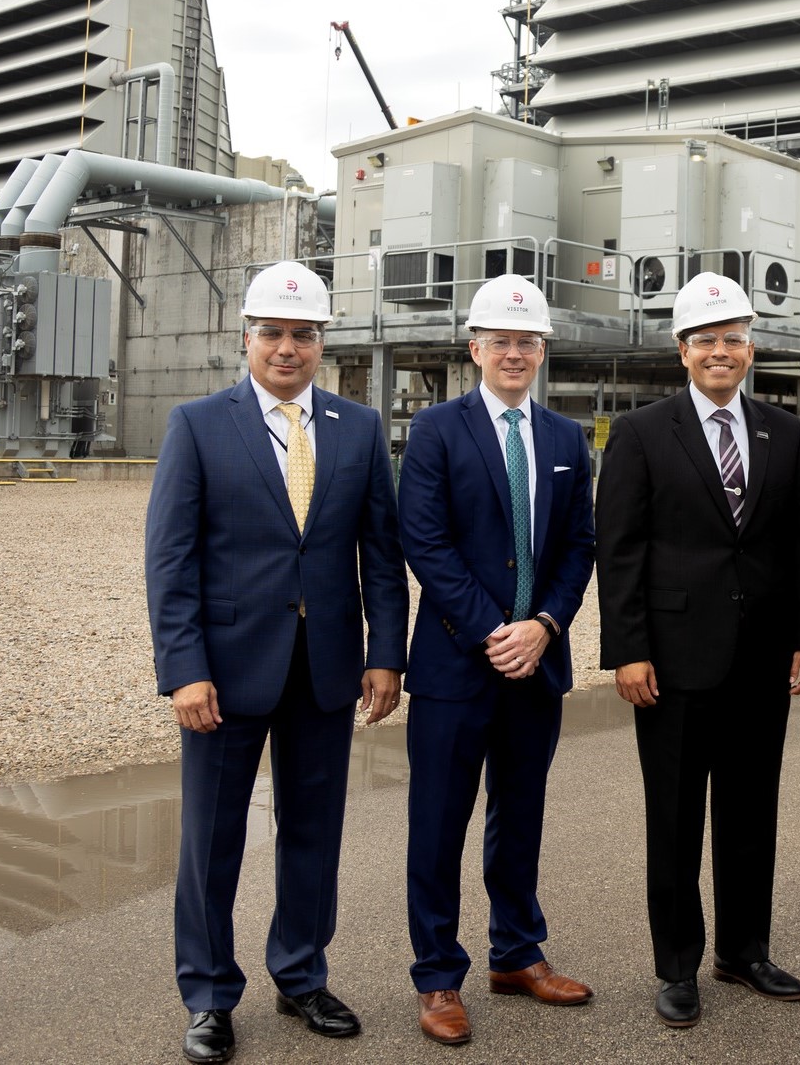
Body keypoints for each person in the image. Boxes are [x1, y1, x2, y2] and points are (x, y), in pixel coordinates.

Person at [146, 261, 409, 1064]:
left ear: (322, 342)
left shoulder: (358, 428)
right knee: (213, 840)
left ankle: (300, 973)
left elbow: (381, 555)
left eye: (303, 333)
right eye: (273, 333)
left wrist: (385, 655)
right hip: (226, 673)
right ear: (248, 337)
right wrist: (184, 668)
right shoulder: (198, 424)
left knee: (313, 834)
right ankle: (210, 995)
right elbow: (170, 559)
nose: (287, 347)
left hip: (326, 668)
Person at [596, 271, 800, 1029]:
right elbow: (620, 550)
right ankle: (677, 965)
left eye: (733, 338)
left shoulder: (783, 431)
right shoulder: (639, 433)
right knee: (673, 817)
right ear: (682, 350)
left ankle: (744, 948)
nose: (721, 352)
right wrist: (627, 649)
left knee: (750, 809)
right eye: (706, 340)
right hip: (670, 659)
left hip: (761, 657)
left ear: (751, 346)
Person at [396, 275, 598, 1046]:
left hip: (536, 664)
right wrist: (494, 630)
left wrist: (544, 624)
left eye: (528, 341)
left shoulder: (564, 439)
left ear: (542, 351)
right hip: (457, 664)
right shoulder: (438, 431)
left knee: (521, 816)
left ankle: (516, 951)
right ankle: (438, 976)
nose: (515, 353)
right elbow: (427, 543)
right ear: (475, 347)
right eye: (502, 340)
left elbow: (578, 547)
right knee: (439, 822)